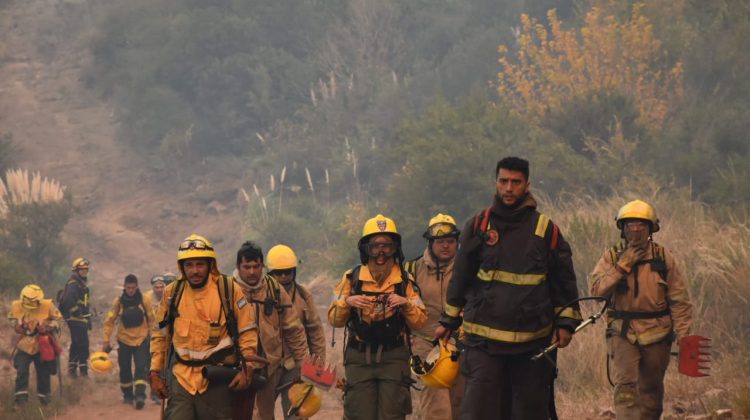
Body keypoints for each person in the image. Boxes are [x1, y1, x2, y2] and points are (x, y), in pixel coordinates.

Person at [436, 157, 582, 419]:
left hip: (532, 346)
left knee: (529, 414)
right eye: (503, 181)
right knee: (479, 413)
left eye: (516, 182)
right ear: (496, 183)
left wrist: (566, 324)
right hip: (484, 344)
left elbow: (564, 282)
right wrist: (448, 320)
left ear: (527, 185)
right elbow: (461, 277)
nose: (509, 188)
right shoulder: (479, 226)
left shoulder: (545, 230)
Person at [590, 200, 693, 420]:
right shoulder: (612, 257)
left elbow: (679, 301)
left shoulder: (664, 258)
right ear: (622, 228)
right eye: (630, 225)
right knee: (625, 389)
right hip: (622, 332)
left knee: (652, 392)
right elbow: (597, 292)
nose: (635, 230)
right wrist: (621, 267)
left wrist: (685, 337)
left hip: (658, 333)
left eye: (640, 225)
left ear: (650, 229)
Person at [150, 234, 259, 420]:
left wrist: (247, 369)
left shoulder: (228, 290)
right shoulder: (171, 294)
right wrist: (155, 373)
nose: (195, 271)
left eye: (200, 264)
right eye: (189, 265)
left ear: (210, 265)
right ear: (182, 268)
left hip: (217, 380)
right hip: (181, 379)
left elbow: (247, 331)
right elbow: (160, 336)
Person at [329, 214, 427, 420]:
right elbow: (334, 319)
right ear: (366, 249)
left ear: (395, 248)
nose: (381, 253)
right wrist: (347, 303)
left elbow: (420, 321)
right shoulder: (352, 278)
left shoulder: (404, 280)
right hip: (359, 357)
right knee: (358, 414)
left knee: (392, 414)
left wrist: (405, 303)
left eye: (387, 246)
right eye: (375, 246)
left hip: (394, 357)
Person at [231, 241, 309, 420]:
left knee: (264, 416)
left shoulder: (274, 289)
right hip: (236, 369)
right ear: (238, 266)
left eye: (256, 266)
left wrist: (302, 365)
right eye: (247, 267)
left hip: (269, 368)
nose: (252, 272)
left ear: (262, 266)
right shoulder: (228, 291)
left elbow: (294, 331)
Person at [404, 214, 464, 420]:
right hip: (424, 344)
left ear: (457, 242)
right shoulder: (412, 269)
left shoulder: (469, 269)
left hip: (461, 344)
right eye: (440, 241)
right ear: (431, 243)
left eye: (450, 241)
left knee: (461, 404)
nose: (446, 246)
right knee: (436, 407)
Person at [266, 244, 327, 419]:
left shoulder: (303, 295)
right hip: (267, 366)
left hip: (294, 365)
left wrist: (317, 365)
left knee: (297, 414)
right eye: (279, 273)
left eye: (288, 271)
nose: (284, 276)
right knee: (260, 414)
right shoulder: (261, 296)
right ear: (270, 274)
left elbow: (315, 331)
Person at [102, 274, 154, 409]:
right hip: (124, 340)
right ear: (124, 287)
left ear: (137, 287)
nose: (131, 290)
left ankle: (140, 395)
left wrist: (152, 337)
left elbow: (151, 320)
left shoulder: (145, 300)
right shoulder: (118, 302)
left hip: (141, 340)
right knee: (124, 369)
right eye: (128, 288)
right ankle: (128, 396)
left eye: (133, 288)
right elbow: (109, 322)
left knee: (141, 368)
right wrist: (106, 340)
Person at [8, 284, 63, 406]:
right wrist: (18, 326)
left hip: (41, 345)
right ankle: (20, 401)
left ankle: (45, 401)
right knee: (21, 371)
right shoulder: (16, 306)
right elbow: (12, 319)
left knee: (43, 373)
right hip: (24, 344)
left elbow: (58, 320)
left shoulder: (48, 305)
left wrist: (48, 327)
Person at [58, 257, 92, 378]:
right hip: (74, 319)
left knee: (80, 344)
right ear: (76, 270)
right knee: (80, 343)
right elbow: (68, 300)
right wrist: (77, 313)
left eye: (86, 270)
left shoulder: (82, 285)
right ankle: (77, 372)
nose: (84, 272)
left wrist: (88, 319)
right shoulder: (73, 284)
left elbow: (85, 304)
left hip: (81, 320)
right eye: (82, 269)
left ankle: (77, 370)